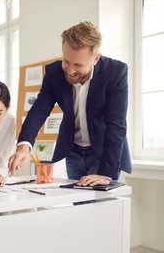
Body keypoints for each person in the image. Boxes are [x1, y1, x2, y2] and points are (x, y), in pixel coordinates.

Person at [8, 21, 132, 186]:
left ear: (95, 58)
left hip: (103, 152)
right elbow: (39, 111)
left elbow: (116, 124)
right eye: (66, 61)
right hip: (72, 152)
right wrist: (24, 147)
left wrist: (106, 173)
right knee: (78, 206)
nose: (70, 70)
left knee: (99, 208)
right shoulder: (54, 73)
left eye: (78, 65)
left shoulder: (115, 72)